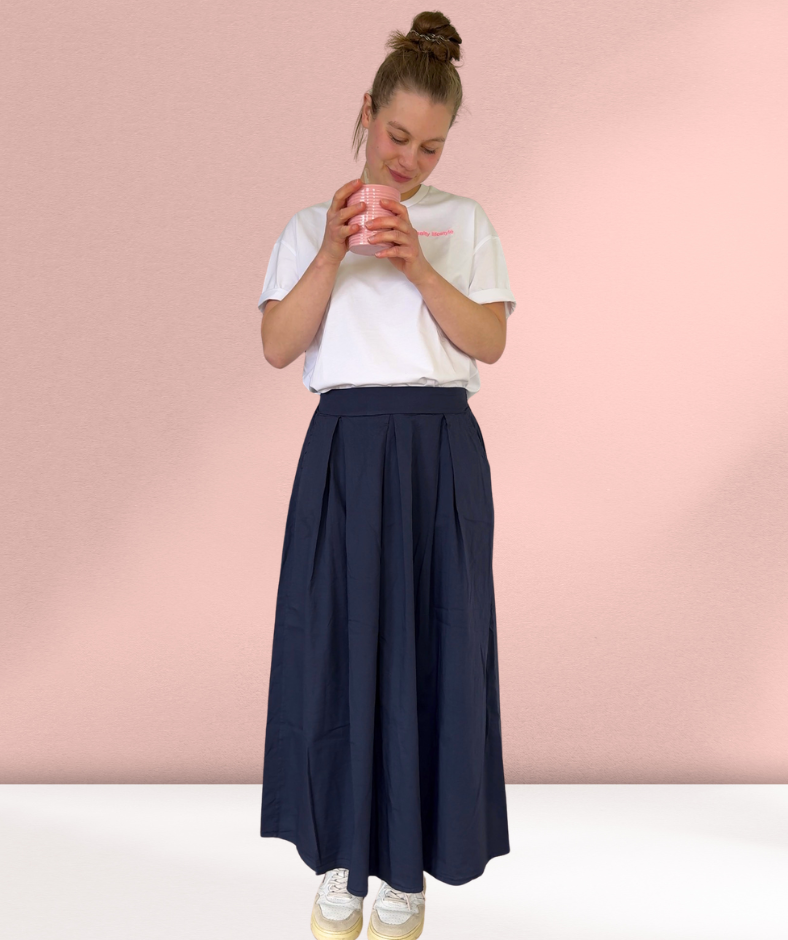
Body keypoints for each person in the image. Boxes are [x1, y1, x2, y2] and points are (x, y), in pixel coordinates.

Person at [256, 13, 516, 940]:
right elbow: (277, 346)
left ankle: (407, 871)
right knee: (335, 644)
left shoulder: (465, 223)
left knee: (439, 644)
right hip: (345, 450)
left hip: (441, 452)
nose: (408, 162)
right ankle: (342, 859)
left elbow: (489, 341)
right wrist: (335, 252)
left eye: (430, 147)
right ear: (366, 111)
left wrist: (417, 265)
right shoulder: (306, 228)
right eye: (397, 136)